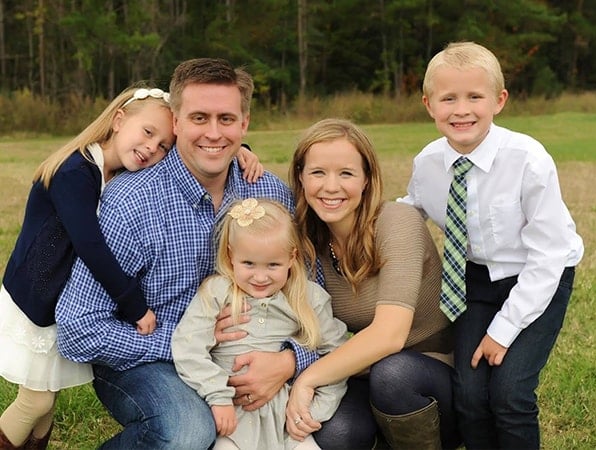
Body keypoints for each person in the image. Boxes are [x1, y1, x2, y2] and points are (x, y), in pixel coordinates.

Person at [55, 58, 302, 450]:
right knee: (188, 433)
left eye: (226, 118)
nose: (214, 133)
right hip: (147, 359)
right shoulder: (132, 202)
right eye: (199, 118)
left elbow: (309, 295)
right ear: (176, 121)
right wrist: (182, 343)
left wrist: (289, 362)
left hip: (252, 353)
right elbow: (78, 328)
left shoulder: (269, 194)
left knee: (326, 424)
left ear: (245, 124)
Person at [397, 41, 584, 449]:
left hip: (539, 277)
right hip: (474, 282)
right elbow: (410, 211)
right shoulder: (428, 163)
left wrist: (504, 329)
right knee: (468, 394)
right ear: (429, 104)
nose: (461, 110)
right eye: (448, 98)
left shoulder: (528, 159)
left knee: (508, 393)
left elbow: (549, 254)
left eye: (474, 97)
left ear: (499, 101)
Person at [0, 85, 175, 450]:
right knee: (37, 400)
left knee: (46, 405)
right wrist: (133, 303)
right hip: (35, 299)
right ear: (118, 119)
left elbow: (193, 159)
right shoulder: (75, 171)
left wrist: (240, 152)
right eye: (147, 132)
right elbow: (90, 245)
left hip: (58, 301)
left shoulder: (117, 173)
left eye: (163, 146)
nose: (151, 149)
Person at [284, 118, 460, 450]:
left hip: (432, 374)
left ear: (367, 179)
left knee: (394, 374)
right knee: (334, 436)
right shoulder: (307, 241)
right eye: (318, 172)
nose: (331, 187)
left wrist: (308, 379)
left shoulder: (397, 222)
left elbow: (389, 335)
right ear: (301, 178)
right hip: (363, 370)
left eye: (346, 173)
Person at [172, 198, 348, 450]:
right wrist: (217, 396)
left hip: (287, 420)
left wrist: (313, 411)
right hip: (233, 418)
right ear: (231, 255)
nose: (260, 276)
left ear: (291, 257)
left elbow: (338, 357)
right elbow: (188, 348)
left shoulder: (307, 297)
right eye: (249, 264)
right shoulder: (217, 292)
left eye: (273, 265)